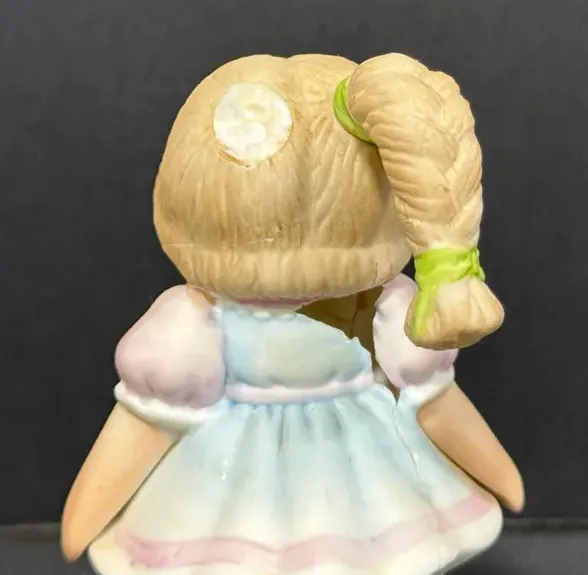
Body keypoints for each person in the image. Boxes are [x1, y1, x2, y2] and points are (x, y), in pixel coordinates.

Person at [62, 53, 524, 575]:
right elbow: (146, 423)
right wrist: (499, 474)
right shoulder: (195, 324)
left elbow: (433, 402)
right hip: (243, 473)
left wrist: (495, 469)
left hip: (359, 463)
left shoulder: (377, 308)